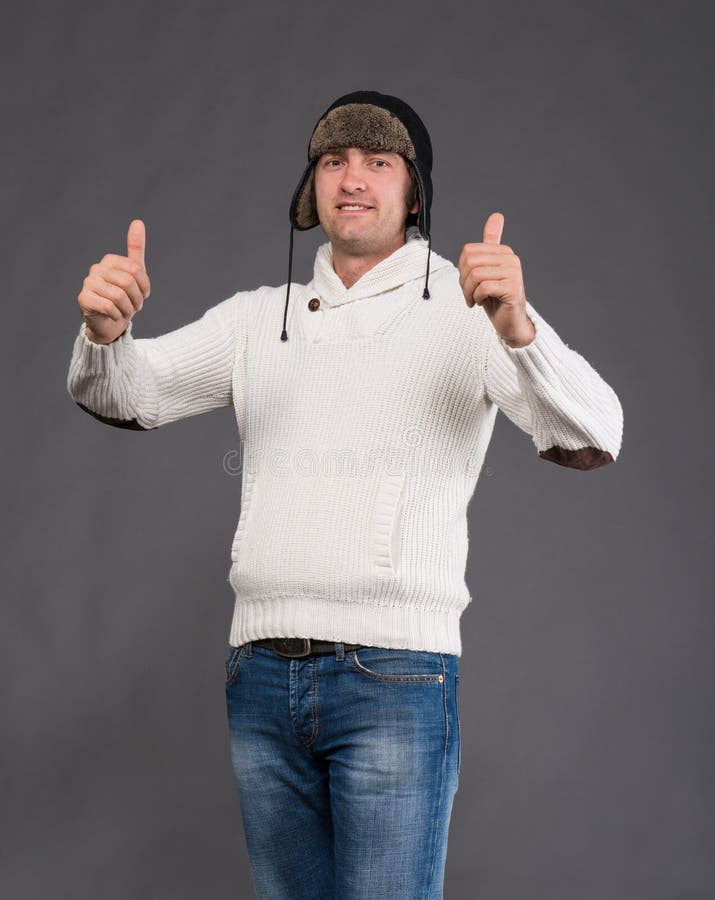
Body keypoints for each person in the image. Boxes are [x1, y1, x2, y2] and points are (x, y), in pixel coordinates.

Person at [66, 90, 624, 899]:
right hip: (258, 672)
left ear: (413, 190)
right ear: (311, 187)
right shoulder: (259, 319)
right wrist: (103, 336)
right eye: (334, 160)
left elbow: (596, 432)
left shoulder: (471, 316)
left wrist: (518, 329)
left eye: (377, 160)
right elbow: (126, 395)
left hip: (394, 673)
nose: (352, 177)